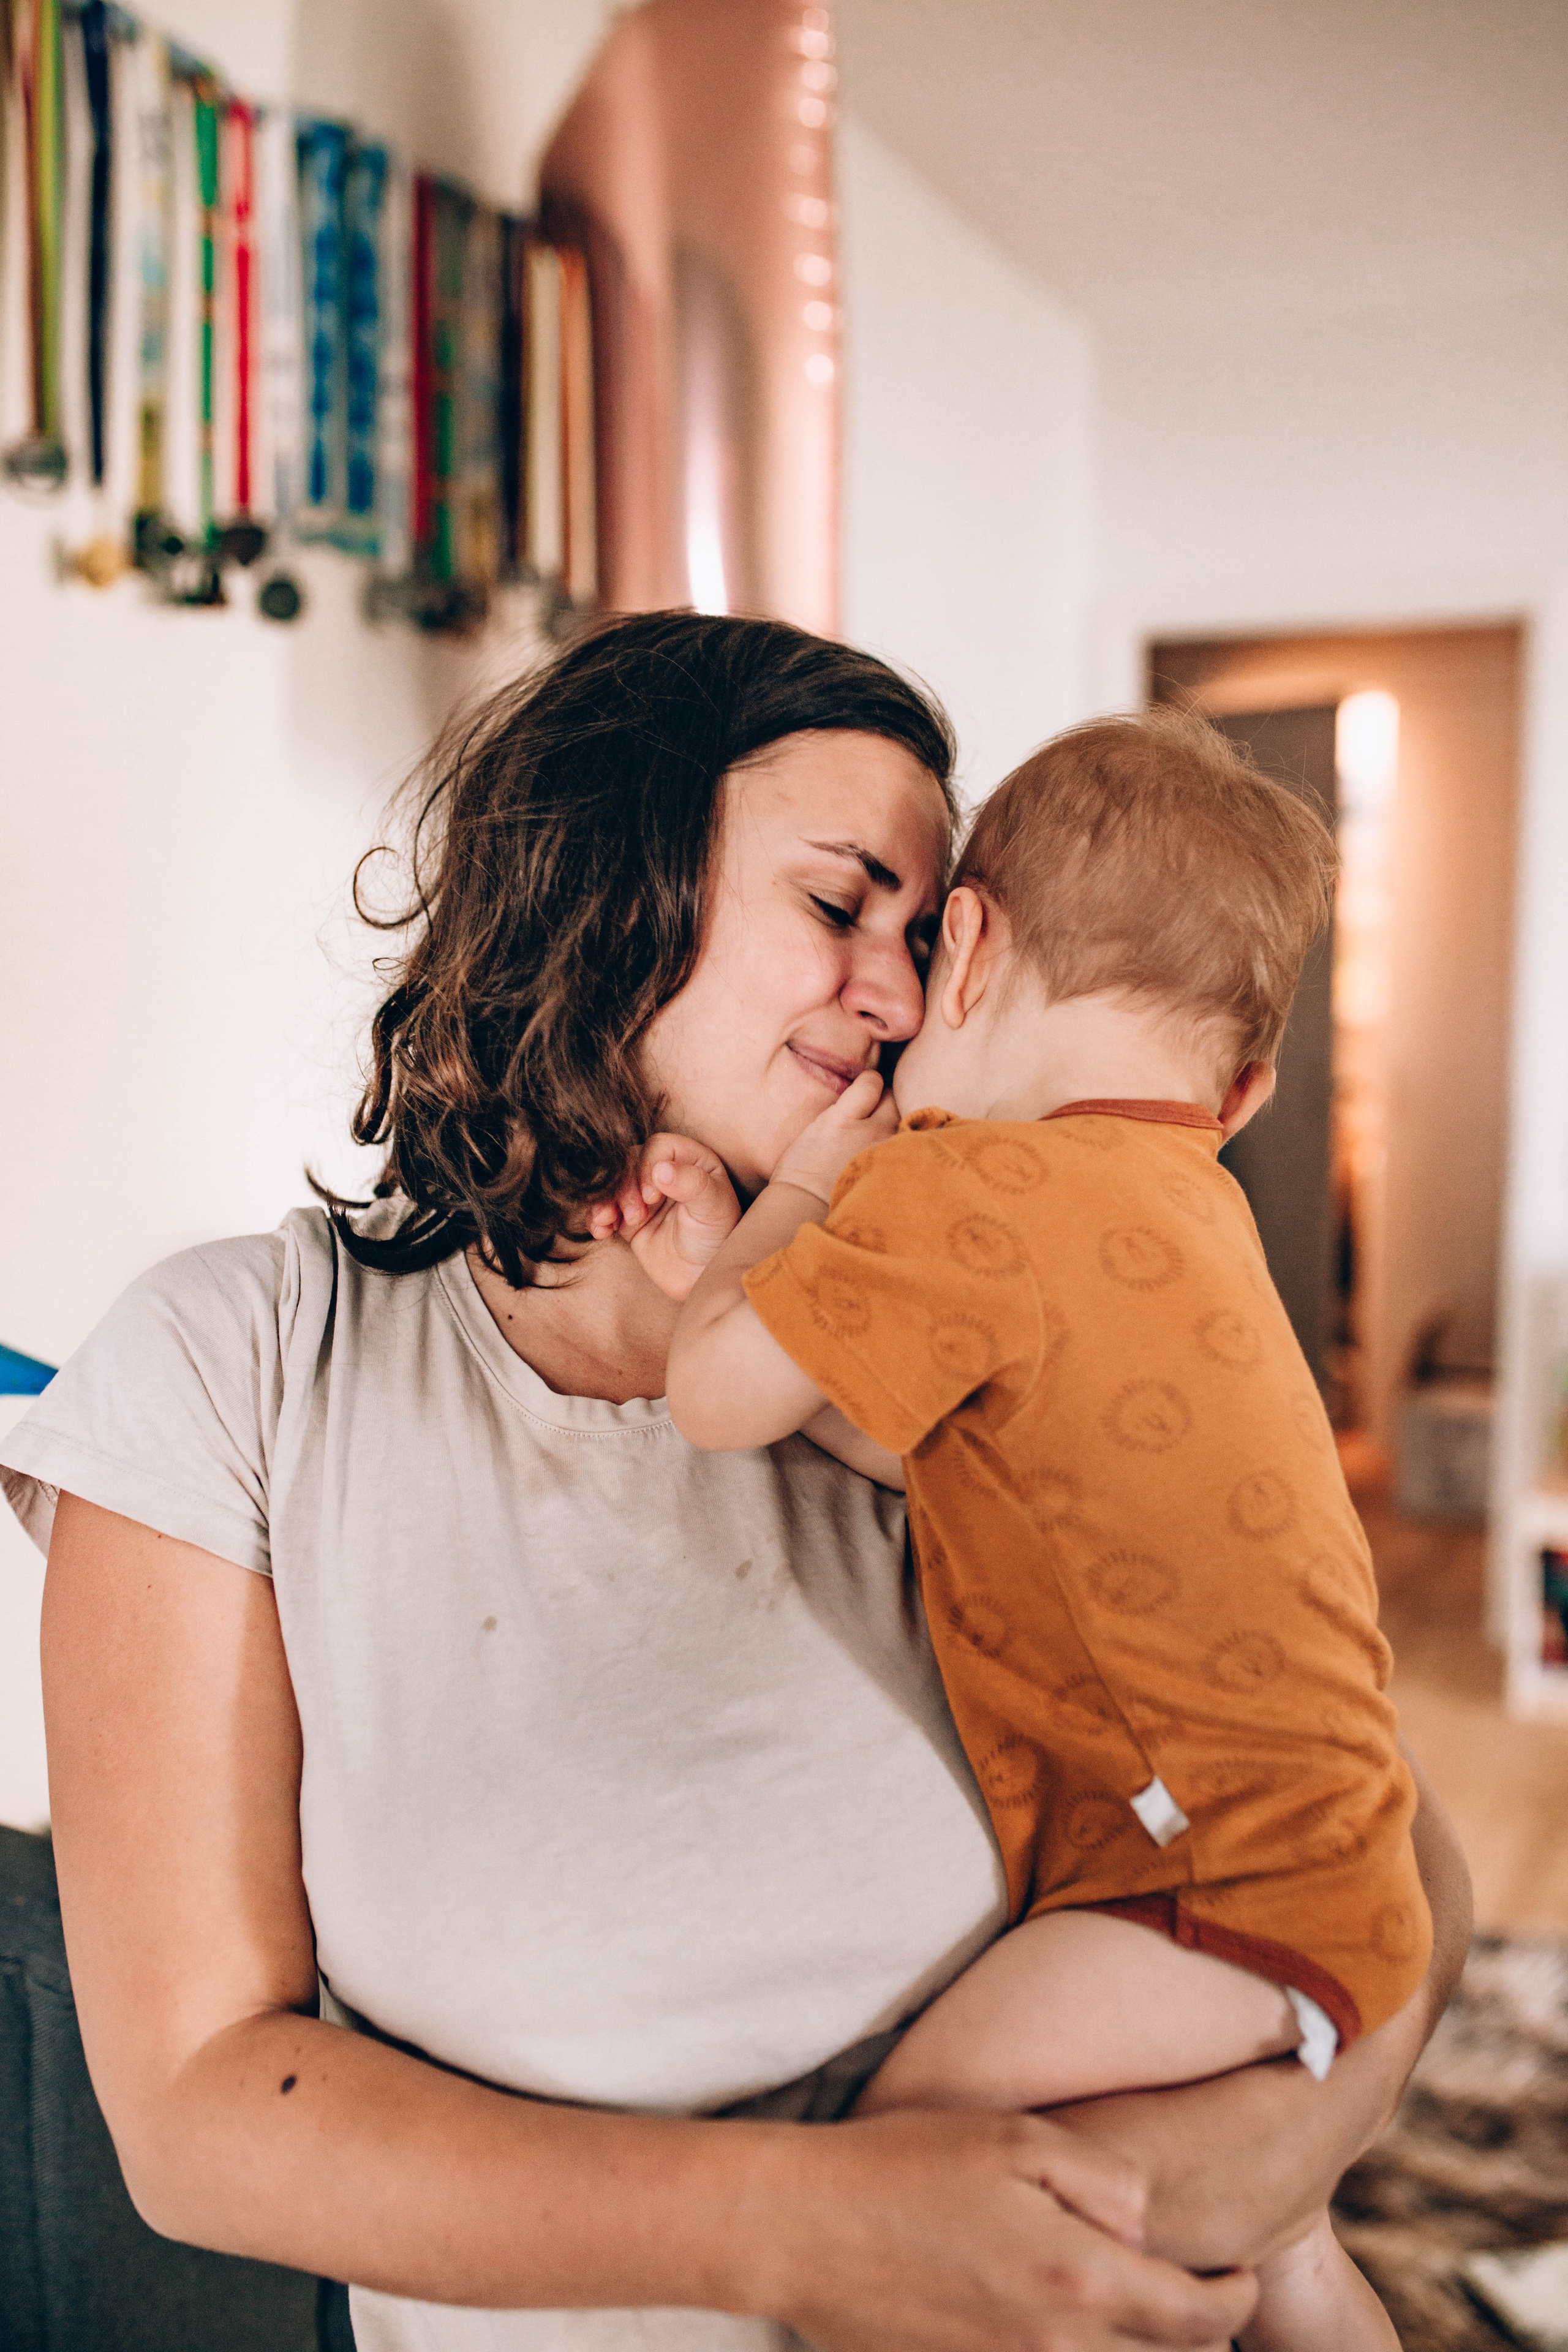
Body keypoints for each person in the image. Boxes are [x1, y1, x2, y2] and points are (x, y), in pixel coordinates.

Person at [3, 617, 1469, 2352]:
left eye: (929, 939)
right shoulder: (234, 1365)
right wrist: (811, 2236)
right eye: (841, 906)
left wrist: (1266, 2174)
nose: (904, 998)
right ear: (603, 893)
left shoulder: (959, 1340)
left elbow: (1372, 1845)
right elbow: (197, 2111)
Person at [646, 710, 1434, 2350]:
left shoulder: (963, 1190)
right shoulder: (1196, 1209)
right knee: (1273, 2237)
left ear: (974, 948)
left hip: (1195, 1886)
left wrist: (786, 1205)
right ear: (1244, 1093)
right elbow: (940, 1446)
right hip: (1343, 1866)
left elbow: (715, 1398)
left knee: (920, 2179)